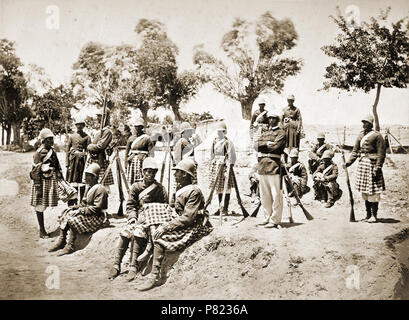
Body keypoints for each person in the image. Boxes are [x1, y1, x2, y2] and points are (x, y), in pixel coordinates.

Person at [137, 158, 213, 291]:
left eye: (177, 172)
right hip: (180, 219)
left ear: (184, 174)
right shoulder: (180, 188)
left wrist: (167, 225)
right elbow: (172, 207)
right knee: (153, 211)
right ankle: (150, 246)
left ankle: (154, 276)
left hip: (194, 224)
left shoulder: (194, 191)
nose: (174, 174)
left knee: (161, 237)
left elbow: (188, 217)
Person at [108, 157, 168, 281]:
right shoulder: (136, 187)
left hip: (151, 220)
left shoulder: (160, 189)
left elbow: (164, 207)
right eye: (147, 171)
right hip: (138, 217)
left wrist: (151, 218)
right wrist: (132, 218)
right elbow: (130, 205)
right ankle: (116, 263)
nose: (150, 174)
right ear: (143, 172)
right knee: (126, 232)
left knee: (138, 232)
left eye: (152, 172)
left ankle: (133, 265)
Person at [48, 163, 109, 256]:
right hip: (89, 213)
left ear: (94, 177)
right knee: (66, 213)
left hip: (97, 217)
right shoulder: (89, 187)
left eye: (88, 176)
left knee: (73, 219)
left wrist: (80, 211)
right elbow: (84, 203)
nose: (86, 178)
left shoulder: (101, 189)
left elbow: (97, 208)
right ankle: (62, 240)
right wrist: (74, 208)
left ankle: (70, 245)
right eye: (86, 175)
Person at [345, 114, 386, 222]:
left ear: (371, 123)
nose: (364, 125)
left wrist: (378, 167)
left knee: (373, 191)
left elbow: (381, 153)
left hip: (373, 166)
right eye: (363, 122)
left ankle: (374, 215)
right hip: (363, 165)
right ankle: (368, 215)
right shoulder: (360, 135)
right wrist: (348, 163)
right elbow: (355, 151)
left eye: (366, 122)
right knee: (365, 191)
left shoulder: (377, 136)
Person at [253, 109, 286, 229]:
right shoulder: (264, 132)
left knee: (276, 194)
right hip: (262, 165)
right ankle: (267, 217)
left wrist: (264, 145)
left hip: (273, 165)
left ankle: (275, 220)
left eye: (274, 118)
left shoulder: (281, 132)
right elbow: (255, 145)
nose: (271, 120)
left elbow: (277, 146)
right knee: (264, 195)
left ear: (277, 120)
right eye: (269, 118)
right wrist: (267, 143)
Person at [30, 128, 63, 238]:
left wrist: (61, 178)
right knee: (40, 205)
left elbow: (58, 166)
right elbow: (35, 172)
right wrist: (38, 188)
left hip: (53, 180)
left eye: (52, 139)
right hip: (41, 182)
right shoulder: (38, 153)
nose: (51, 141)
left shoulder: (52, 151)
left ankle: (68, 227)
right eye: (48, 139)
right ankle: (42, 230)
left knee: (71, 194)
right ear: (43, 141)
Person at [209, 121, 237, 215]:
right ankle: (220, 207)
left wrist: (230, 165)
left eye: (221, 131)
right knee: (218, 188)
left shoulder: (228, 142)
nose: (219, 133)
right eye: (218, 131)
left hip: (225, 166)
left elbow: (233, 156)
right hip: (216, 166)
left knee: (226, 187)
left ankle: (225, 208)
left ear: (224, 132)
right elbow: (212, 154)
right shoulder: (214, 141)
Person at [65, 116, 91, 205]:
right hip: (73, 161)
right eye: (77, 125)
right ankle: (73, 201)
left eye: (81, 125)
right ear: (76, 126)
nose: (79, 127)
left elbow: (89, 150)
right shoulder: (72, 136)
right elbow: (67, 150)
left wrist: (84, 156)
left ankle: (81, 202)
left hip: (82, 161)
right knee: (73, 182)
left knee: (82, 181)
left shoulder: (87, 137)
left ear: (84, 126)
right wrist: (67, 163)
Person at [86, 110, 114, 188]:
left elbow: (100, 146)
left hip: (101, 160)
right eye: (97, 116)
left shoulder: (107, 131)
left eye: (100, 116)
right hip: (93, 159)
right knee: (92, 183)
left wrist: (89, 146)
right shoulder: (99, 131)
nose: (98, 118)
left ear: (105, 118)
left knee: (102, 185)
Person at [125, 118, 154, 185]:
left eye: (139, 126)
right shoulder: (131, 138)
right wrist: (126, 162)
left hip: (142, 161)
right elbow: (127, 152)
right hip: (132, 161)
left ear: (142, 127)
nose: (137, 128)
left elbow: (151, 152)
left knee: (141, 177)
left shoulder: (147, 138)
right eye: (136, 126)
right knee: (132, 179)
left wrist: (149, 164)